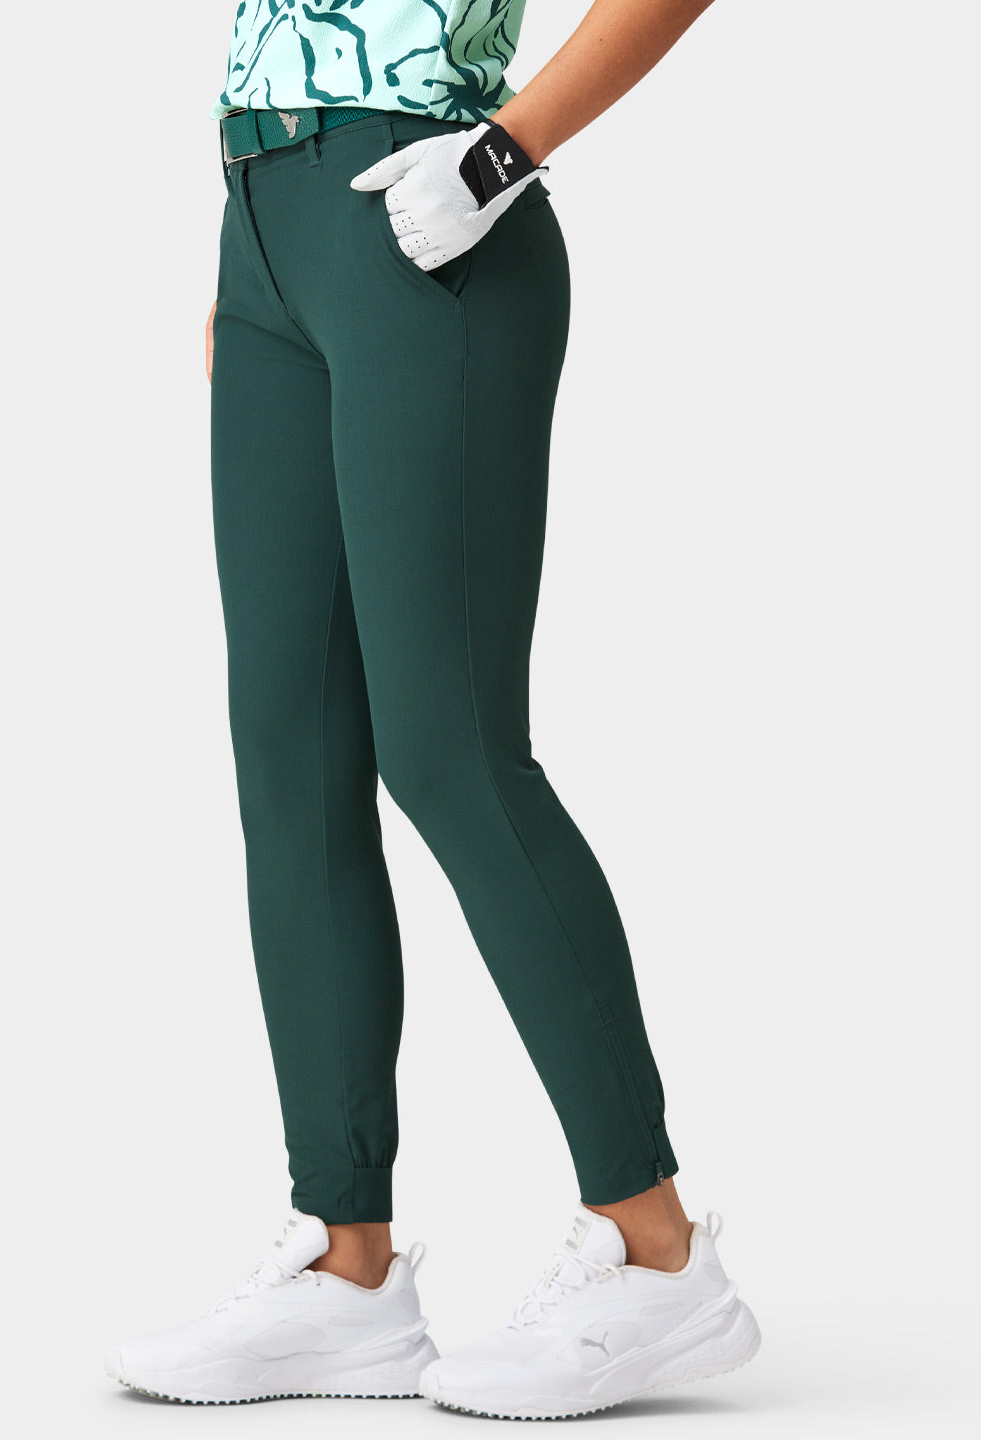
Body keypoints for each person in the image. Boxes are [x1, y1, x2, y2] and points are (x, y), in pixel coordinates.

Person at [107, 0, 759, 1420]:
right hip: (266, 226)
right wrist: (259, 255)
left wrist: (504, 152)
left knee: (450, 751)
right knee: (292, 759)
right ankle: (345, 1269)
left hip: (429, 213)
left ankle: (658, 1253)